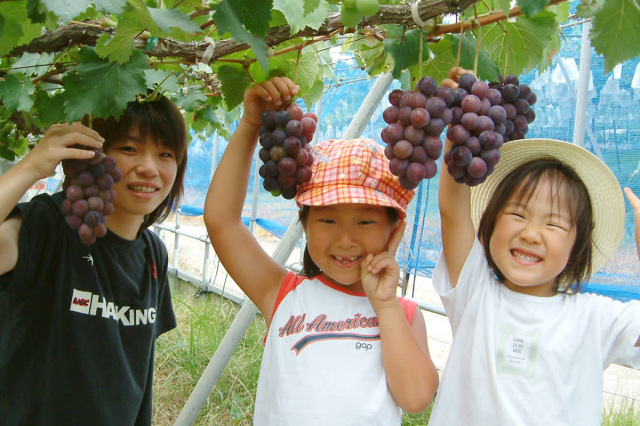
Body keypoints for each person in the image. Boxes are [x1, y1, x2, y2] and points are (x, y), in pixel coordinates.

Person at [204, 76, 438, 425]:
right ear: (305, 224)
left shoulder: (401, 313)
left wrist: (385, 304)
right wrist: (252, 124)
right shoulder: (281, 294)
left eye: (365, 223)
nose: (345, 239)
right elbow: (221, 221)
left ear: (395, 229)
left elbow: (416, 398)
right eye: (327, 221)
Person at [430, 117, 640, 425]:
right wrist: (460, 122)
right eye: (517, 214)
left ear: (577, 243)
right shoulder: (474, 289)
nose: (531, 233)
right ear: (488, 224)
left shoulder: (596, 319)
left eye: (553, 223)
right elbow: (453, 212)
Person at [0, 95, 188, 425]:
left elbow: (135, 377)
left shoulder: (153, 253)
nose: (149, 167)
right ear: (95, 157)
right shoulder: (50, 227)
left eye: (165, 154)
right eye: (129, 149)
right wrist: (30, 166)